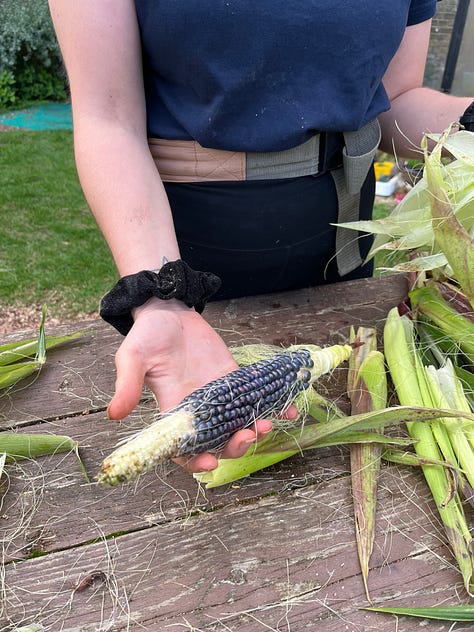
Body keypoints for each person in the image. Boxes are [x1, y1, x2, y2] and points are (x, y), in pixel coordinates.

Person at [48, 1, 473, 474]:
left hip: (343, 254)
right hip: (187, 262)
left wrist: (470, 124)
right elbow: (108, 121)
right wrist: (161, 294)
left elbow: (397, 98)